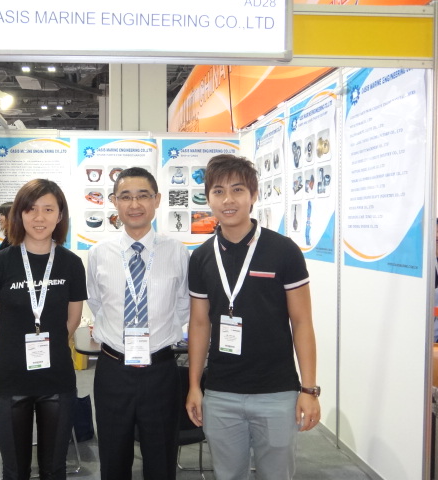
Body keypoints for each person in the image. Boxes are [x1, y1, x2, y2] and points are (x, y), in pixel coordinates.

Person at [185, 154, 320, 480]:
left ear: (254, 195)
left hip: (276, 392)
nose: (228, 200)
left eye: (238, 190)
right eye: (218, 191)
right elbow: (200, 324)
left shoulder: (283, 250)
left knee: (276, 475)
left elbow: (302, 322)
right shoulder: (201, 257)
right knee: (228, 475)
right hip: (221, 392)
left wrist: (309, 389)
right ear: (208, 198)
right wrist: (194, 386)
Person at [0, 179, 87, 480]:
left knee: (54, 469)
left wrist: (52, 348)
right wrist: (7, 355)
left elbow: (73, 319)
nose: (40, 218)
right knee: (15, 470)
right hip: (10, 380)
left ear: (60, 215)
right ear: (20, 214)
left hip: (57, 379)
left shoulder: (71, 263)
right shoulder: (0, 263)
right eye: (31, 209)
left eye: (48, 209)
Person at [87, 167, 190, 480]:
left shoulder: (177, 252)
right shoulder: (98, 253)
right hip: (112, 371)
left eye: (143, 196)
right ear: (115, 202)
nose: (134, 204)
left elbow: (183, 305)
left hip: (161, 370)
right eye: (126, 197)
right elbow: (97, 303)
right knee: (113, 460)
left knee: (161, 461)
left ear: (156, 200)